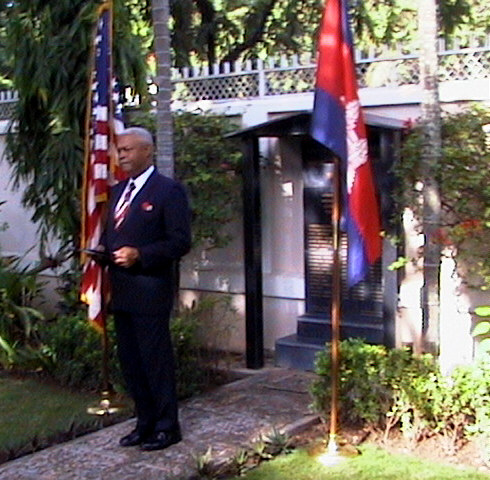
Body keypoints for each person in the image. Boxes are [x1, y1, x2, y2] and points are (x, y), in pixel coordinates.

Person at [98, 126, 191, 451]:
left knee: (155, 362)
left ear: (147, 151)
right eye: (119, 150)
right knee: (132, 363)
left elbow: (180, 241)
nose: (121, 155)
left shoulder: (168, 191)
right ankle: (144, 423)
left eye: (127, 150)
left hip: (150, 290)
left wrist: (141, 255)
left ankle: (168, 427)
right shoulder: (117, 191)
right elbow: (114, 236)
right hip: (121, 292)